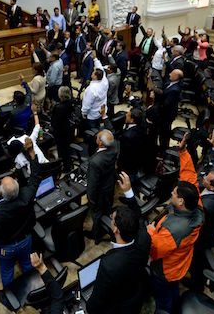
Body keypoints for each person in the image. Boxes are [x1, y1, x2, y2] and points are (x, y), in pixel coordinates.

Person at [87, 172, 151, 314]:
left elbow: (96, 303)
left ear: (115, 229)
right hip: (137, 294)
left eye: (112, 218)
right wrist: (128, 191)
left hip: (120, 306)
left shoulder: (109, 264)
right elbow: (139, 219)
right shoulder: (145, 238)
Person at [0, 149, 43, 286]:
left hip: (6, 248)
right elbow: (36, 177)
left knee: (7, 273)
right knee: (27, 265)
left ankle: (12, 297)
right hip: (25, 240)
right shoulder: (27, 196)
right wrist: (32, 156)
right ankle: (31, 287)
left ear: (1, 193)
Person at [147, 181, 203, 313]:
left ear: (181, 202)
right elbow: (189, 175)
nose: (172, 193)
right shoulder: (197, 208)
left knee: (164, 298)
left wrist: (150, 231)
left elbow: (154, 252)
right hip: (179, 264)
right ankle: (176, 303)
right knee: (173, 287)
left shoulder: (173, 231)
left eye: (174, 193)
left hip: (165, 270)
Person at [86, 124, 118, 242]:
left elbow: (92, 184)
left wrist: (91, 198)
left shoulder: (95, 162)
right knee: (106, 208)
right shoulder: (114, 147)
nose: (96, 138)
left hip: (99, 193)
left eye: (98, 137)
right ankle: (105, 227)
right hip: (109, 186)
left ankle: (97, 235)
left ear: (100, 143)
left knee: (96, 213)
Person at [6, 104, 48, 178]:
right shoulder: (30, 140)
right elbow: (37, 126)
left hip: (35, 176)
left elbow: (17, 168)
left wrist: (13, 170)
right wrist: (35, 113)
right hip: (48, 166)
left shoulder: (19, 158)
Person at [80, 53, 108, 130]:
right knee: (98, 127)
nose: (92, 73)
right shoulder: (104, 81)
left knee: (91, 132)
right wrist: (95, 59)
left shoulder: (91, 89)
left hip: (92, 115)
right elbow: (100, 68)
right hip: (101, 112)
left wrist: (84, 113)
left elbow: (87, 103)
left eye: (93, 73)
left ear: (95, 76)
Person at [50, 86, 75, 171]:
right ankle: (69, 164)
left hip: (61, 133)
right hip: (70, 130)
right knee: (68, 149)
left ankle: (65, 168)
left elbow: (54, 122)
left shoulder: (58, 108)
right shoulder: (72, 102)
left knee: (62, 150)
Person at [158, 69, 183, 152]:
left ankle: (163, 151)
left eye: (171, 74)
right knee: (164, 132)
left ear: (176, 77)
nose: (169, 74)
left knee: (164, 133)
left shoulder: (174, 90)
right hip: (167, 113)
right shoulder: (172, 84)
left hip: (167, 115)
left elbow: (166, 104)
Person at [118, 107, 145, 182]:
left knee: (130, 179)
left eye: (128, 115)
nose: (126, 115)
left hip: (129, 163)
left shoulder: (127, 136)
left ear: (132, 120)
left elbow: (123, 154)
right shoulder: (142, 126)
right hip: (138, 158)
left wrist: (118, 165)